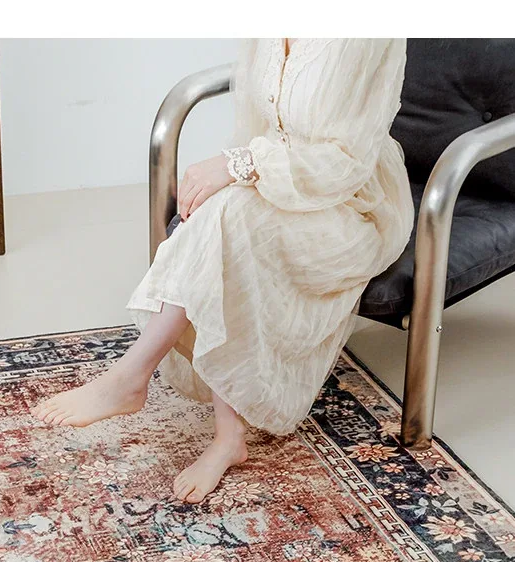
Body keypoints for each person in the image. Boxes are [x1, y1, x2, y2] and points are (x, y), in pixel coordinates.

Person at [31, 39, 414, 503]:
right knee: (225, 219)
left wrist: (238, 166)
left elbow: (346, 163)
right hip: (276, 185)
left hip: (351, 206)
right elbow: (255, 125)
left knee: (229, 220)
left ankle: (132, 378)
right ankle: (223, 434)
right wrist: (236, 174)